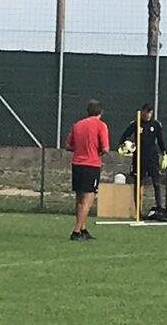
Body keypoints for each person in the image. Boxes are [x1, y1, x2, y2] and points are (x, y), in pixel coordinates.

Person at [65, 99, 109, 241]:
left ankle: (82, 228)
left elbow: (68, 146)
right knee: (87, 200)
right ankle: (76, 231)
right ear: (101, 112)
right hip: (91, 165)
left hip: (77, 164)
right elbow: (105, 148)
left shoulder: (77, 125)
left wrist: (80, 148)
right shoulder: (101, 126)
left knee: (79, 199)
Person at [117, 103, 167, 212]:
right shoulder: (136, 124)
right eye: (146, 112)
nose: (148, 114)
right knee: (138, 183)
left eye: (150, 112)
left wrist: (164, 154)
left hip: (152, 158)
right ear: (142, 111)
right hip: (139, 158)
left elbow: (160, 140)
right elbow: (125, 135)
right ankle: (138, 210)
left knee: (156, 182)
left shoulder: (156, 125)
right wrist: (123, 146)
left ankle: (159, 207)